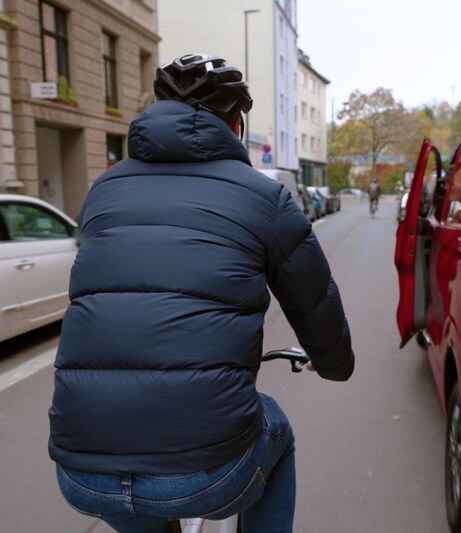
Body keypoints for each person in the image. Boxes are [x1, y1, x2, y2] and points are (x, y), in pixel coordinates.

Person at [48, 54, 354, 533]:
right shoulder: (264, 197)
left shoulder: (103, 192)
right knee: (277, 430)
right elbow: (314, 301)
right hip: (207, 476)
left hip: (83, 473)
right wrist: (333, 364)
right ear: (236, 125)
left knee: (128, 503)